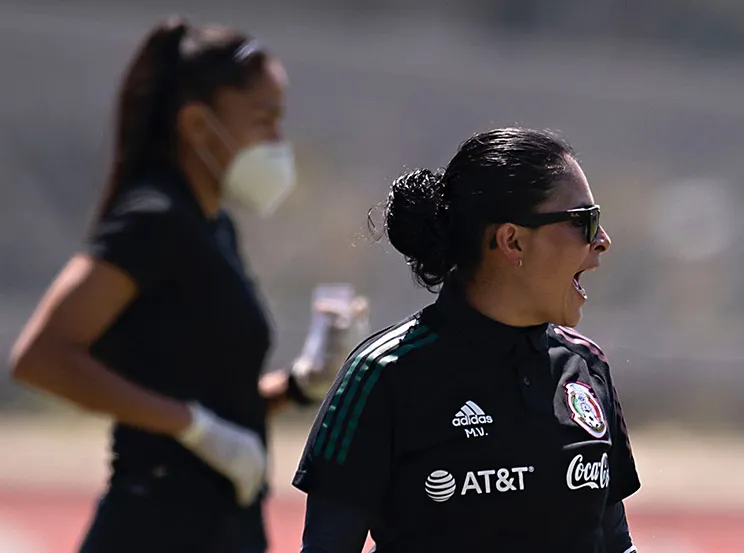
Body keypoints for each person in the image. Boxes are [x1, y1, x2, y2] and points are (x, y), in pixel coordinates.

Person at [7, 17, 365, 553]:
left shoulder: (213, 224)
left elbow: (205, 388)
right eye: (264, 121)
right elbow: (40, 358)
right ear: (198, 126)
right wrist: (192, 427)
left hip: (224, 525)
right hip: (156, 524)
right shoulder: (154, 218)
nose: (278, 141)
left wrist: (296, 384)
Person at [293, 127, 642, 553]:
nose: (602, 241)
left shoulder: (586, 366)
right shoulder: (384, 375)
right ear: (512, 240)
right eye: (583, 221)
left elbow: (615, 544)